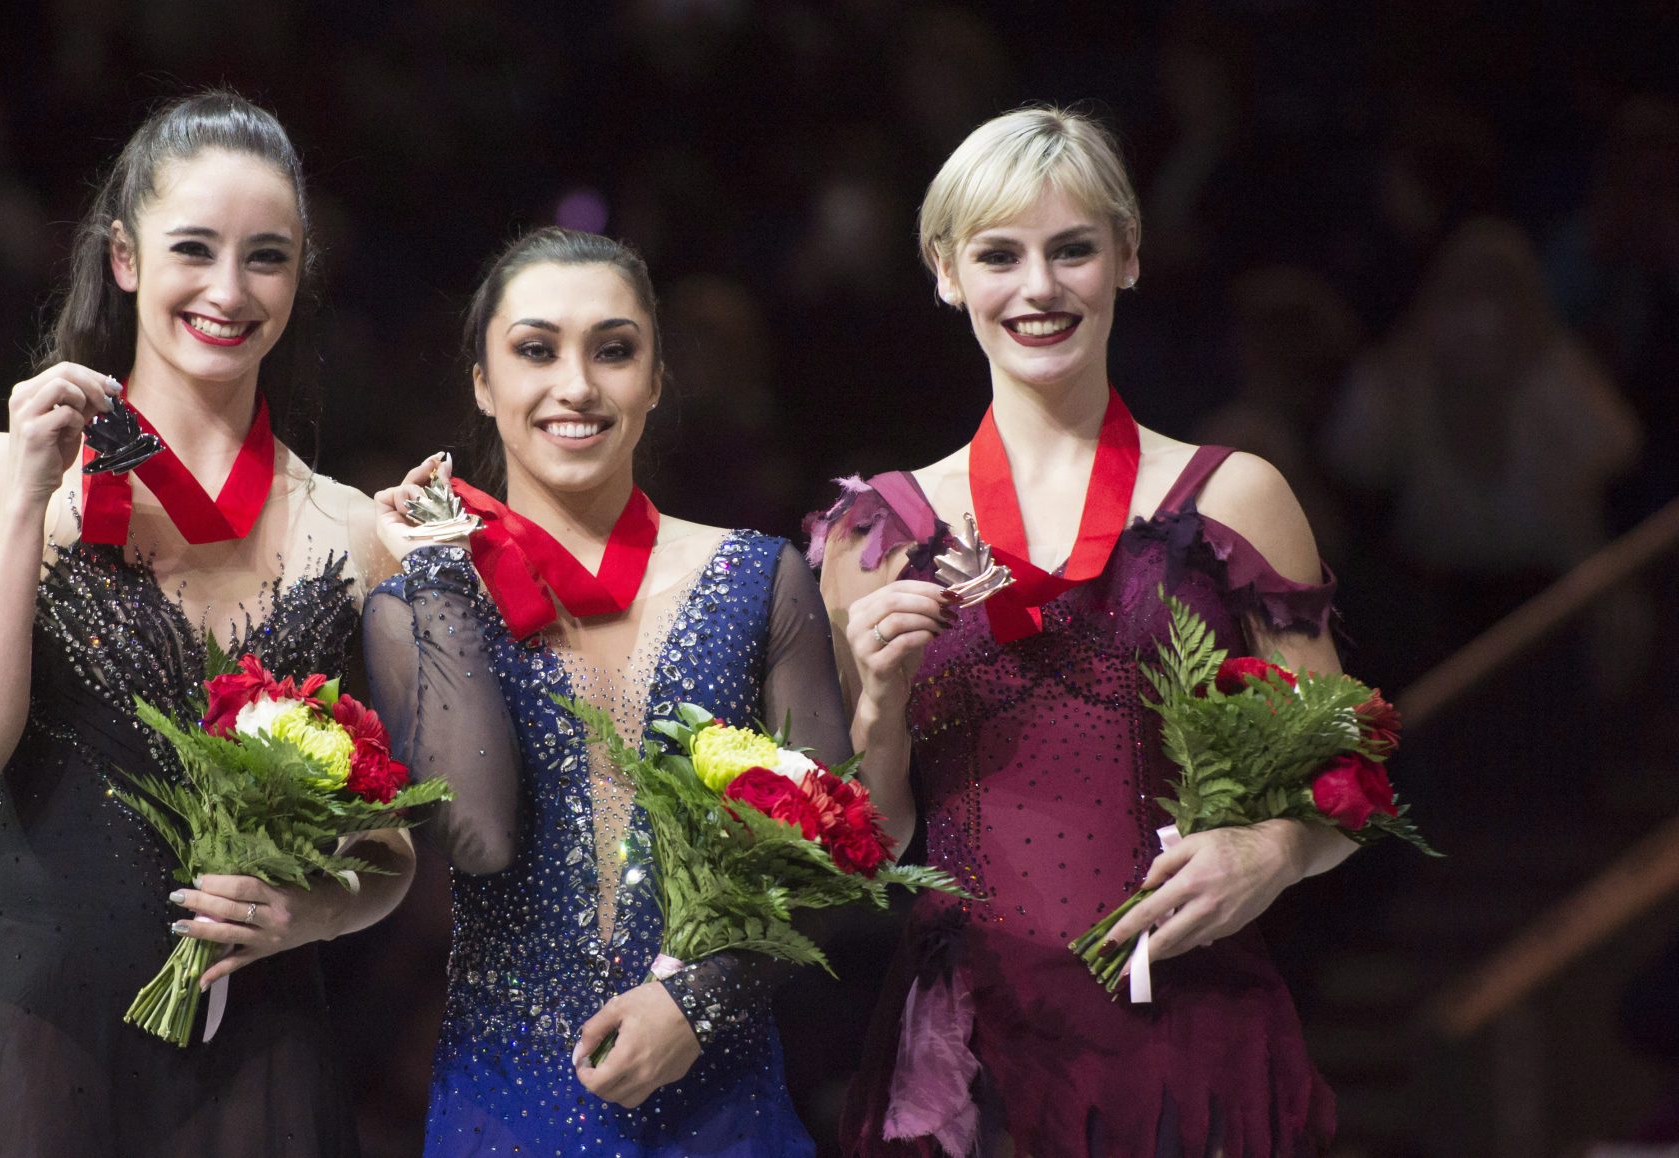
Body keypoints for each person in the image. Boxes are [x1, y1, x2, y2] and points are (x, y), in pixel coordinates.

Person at [815, 107, 1349, 1157]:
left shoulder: (1233, 495)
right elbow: (872, 845)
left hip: (1186, 1031)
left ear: (1128, 258)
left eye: (1072, 250)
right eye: (998, 255)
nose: (1039, 288)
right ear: (943, 272)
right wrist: (876, 706)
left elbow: (1347, 776)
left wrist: (1274, 850)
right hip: (970, 1063)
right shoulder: (874, 533)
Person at [0, 90, 413, 1157]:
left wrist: (312, 912)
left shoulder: (350, 527)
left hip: (261, 1048)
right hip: (34, 1031)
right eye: (194, 248)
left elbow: (388, 847)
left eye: (266, 257)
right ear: (124, 258)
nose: (228, 291)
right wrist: (22, 506)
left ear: (299, 272)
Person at [363, 227, 854, 1156]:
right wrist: (436, 573)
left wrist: (700, 1002)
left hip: (721, 1099)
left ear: (656, 379)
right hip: (507, 1101)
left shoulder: (759, 579)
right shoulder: (420, 609)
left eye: (614, 350)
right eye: (536, 350)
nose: (577, 385)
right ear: (482, 381)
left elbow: (836, 856)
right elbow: (478, 836)